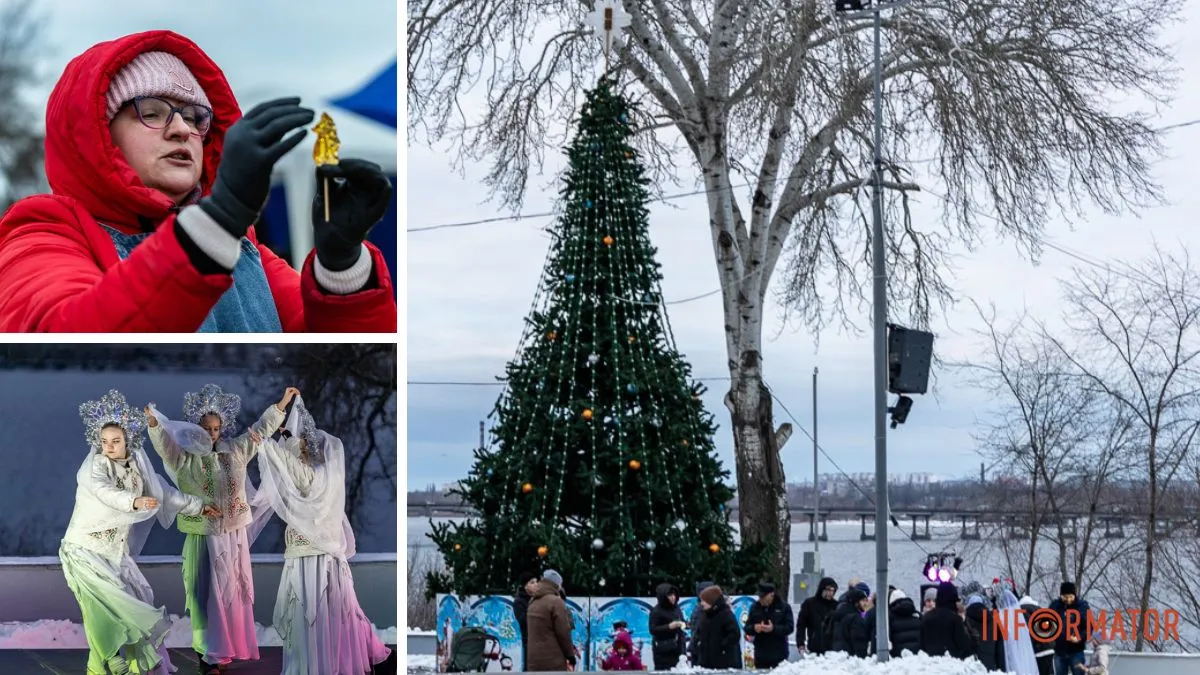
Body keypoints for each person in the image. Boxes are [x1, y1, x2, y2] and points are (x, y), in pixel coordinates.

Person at [0, 30, 396, 332]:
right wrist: (217, 221)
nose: (181, 130)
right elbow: (64, 336)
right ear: (98, 134)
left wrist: (342, 267)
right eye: (152, 112)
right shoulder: (43, 233)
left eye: (194, 117)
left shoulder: (243, 248)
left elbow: (334, 363)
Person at [64, 390, 219, 675]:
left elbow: (164, 494)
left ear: (128, 441)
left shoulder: (138, 466)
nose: (109, 447)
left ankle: (102, 664)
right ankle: (109, 656)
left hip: (114, 552)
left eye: (116, 441)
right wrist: (132, 502)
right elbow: (104, 492)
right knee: (107, 602)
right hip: (83, 549)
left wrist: (199, 506)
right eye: (104, 442)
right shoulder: (94, 466)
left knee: (137, 597)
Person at [145, 384, 294, 674]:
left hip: (233, 535)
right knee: (205, 595)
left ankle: (224, 650)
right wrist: (154, 425)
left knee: (231, 594)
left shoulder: (235, 451)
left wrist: (281, 405)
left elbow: (261, 431)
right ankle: (207, 653)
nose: (211, 434)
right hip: (204, 535)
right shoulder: (185, 458)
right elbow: (165, 445)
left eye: (215, 428)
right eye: (206, 428)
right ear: (195, 428)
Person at [248, 395, 391, 674]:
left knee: (310, 612)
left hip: (309, 556)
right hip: (328, 555)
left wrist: (266, 445)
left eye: (301, 449)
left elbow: (293, 469)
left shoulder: (311, 477)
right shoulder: (330, 478)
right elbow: (295, 463)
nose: (298, 453)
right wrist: (287, 434)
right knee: (333, 611)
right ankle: (333, 659)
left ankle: (314, 664)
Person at [525, 570, 577, 671]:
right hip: (553, 662)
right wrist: (570, 655)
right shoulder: (556, 602)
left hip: (533, 661)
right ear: (556, 585)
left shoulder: (532, 602)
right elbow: (563, 633)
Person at [743, 582, 793, 668]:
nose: (760, 599)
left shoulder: (784, 607)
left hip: (779, 655)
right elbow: (747, 628)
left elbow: (789, 628)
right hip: (760, 655)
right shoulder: (754, 607)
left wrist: (773, 629)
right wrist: (754, 628)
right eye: (760, 597)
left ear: (771, 595)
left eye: (763, 597)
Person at [919, 582, 974, 660]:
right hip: (952, 664)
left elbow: (921, 646)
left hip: (930, 665)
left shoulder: (925, 618)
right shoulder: (955, 619)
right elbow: (964, 644)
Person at [691, 585, 741, 669]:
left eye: (704, 601)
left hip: (724, 663)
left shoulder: (726, 614)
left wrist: (720, 647)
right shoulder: (705, 615)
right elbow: (698, 634)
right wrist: (698, 647)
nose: (701, 603)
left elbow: (734, 634)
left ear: (711, 601)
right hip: (706, 663)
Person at [1048, 582, 1091, 675]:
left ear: (1074, 595)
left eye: (1070, 596)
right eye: (1065, 596)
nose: (1068, 599)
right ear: (1061, 595)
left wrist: (1079, 638)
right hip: (1059, 651)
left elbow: (1089, 627)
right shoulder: (1055, 606)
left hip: (1076, 651)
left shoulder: (1082, 607)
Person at [647, 582, 686, 670]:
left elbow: (681, 621)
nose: (673, 598)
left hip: (679, 647)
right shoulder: (656, 611)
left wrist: (686, 624)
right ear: (663, 597)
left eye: (674, 595)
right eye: (670, 595)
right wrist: (668, 626)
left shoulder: (676, 607)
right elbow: (652, 629)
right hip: (663, 650)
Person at [795, 577, 838, 656]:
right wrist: (800, 644)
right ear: (821, 589)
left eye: (833, 590)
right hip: (814, 648)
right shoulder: (809, 604)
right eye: (828, 590)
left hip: (832, 650)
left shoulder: (836, 606)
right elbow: (801, 625)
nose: (830, 593)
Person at [828, 587, 871, 658]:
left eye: (866, 601)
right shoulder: (855, 618)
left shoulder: (839, 614)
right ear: (856, 602)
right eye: (863, 601)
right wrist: (863, 657)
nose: (865, 604)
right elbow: (858, 640)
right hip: (851, 658)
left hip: (837, 655)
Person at [883, 588, 922, 657]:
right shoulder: (918, 615)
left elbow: (887, 639)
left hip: (898, 658)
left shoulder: (889, 617)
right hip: (918, 657)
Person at [513, 570, 540, 667]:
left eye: (537, 582)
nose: (536, 584)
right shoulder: (519, 602)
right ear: (525, 586)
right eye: (532, 582)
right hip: (529, 641)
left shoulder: (539, 598)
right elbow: (523, 620)